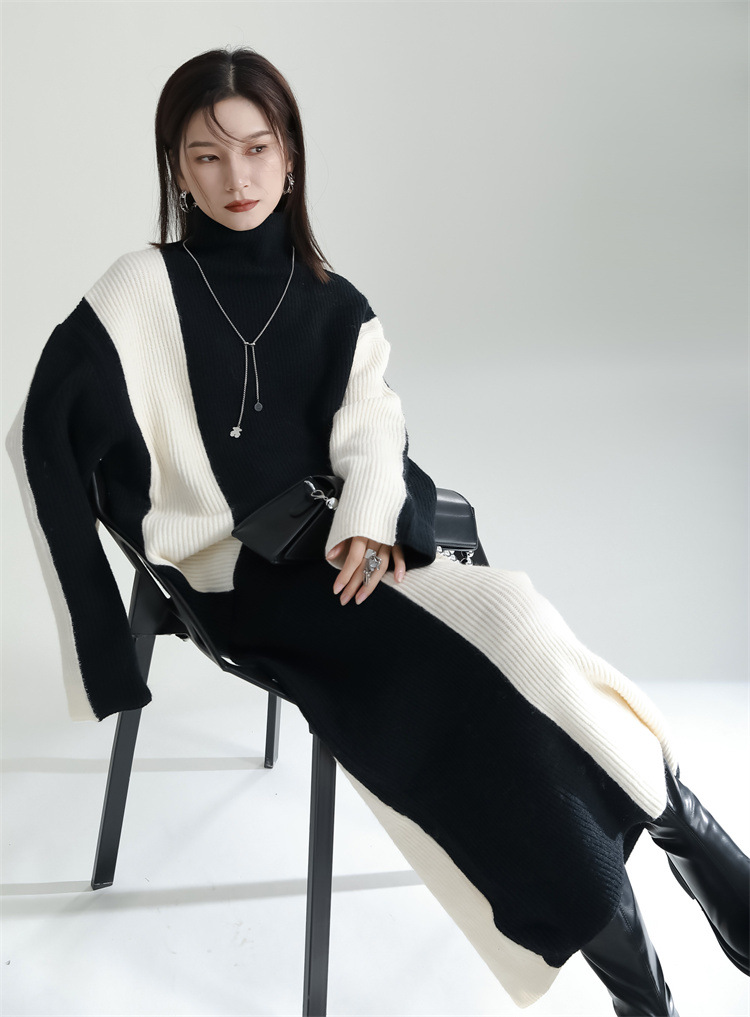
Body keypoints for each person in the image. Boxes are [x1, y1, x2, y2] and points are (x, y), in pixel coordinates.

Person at [5, 45, 748, 1015]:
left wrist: (368, 517)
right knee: (485, 696)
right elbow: (41, 430)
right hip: (237, 580)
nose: (236, 177)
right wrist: (111, 619)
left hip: (347, 550)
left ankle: (683, 874)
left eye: (257, 149)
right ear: (177, 170)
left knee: (516, 621)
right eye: (207, 156)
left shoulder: (333, 300)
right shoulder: (138, 288)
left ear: (291, 156)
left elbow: (373, 423)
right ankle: (685, 898)